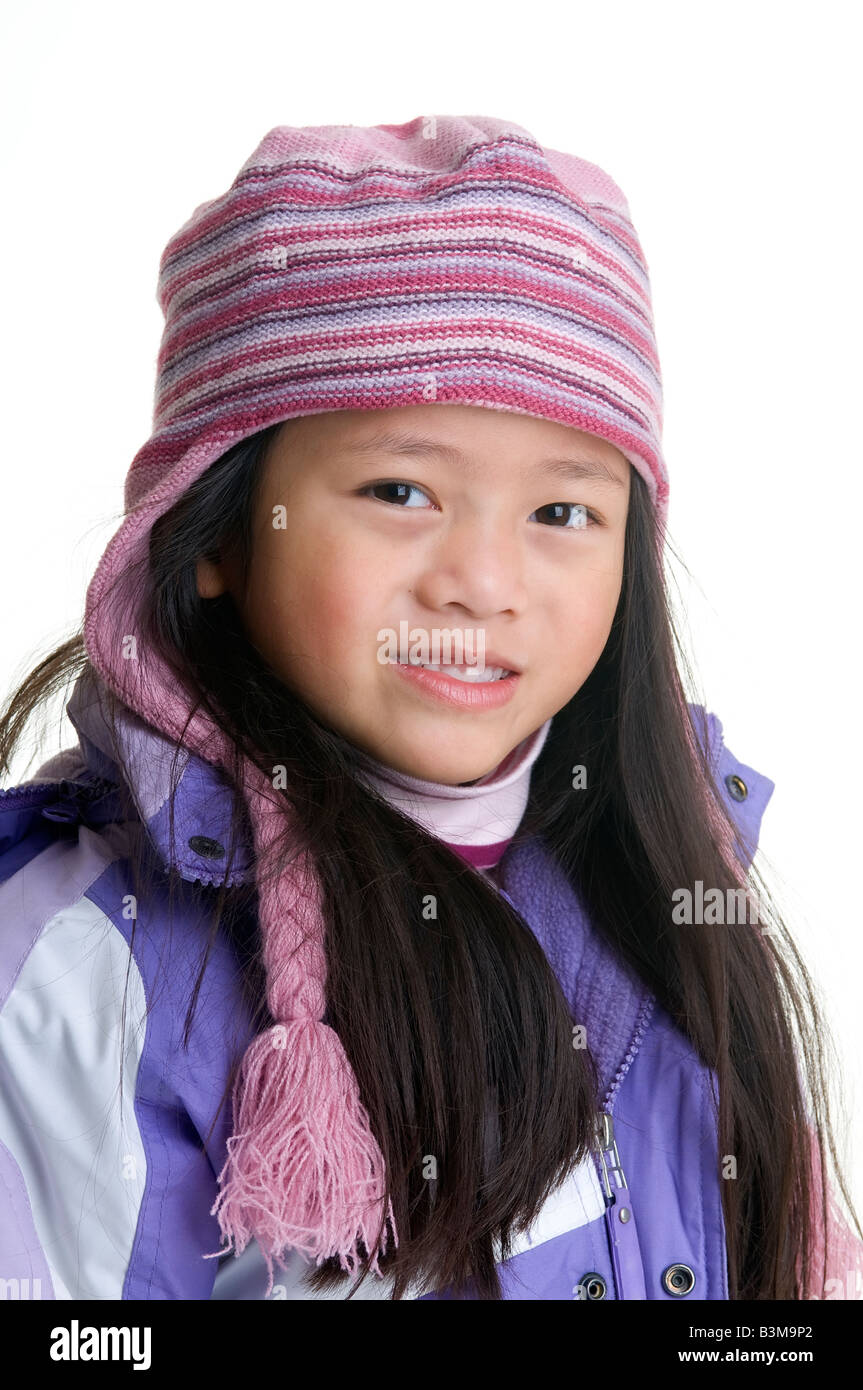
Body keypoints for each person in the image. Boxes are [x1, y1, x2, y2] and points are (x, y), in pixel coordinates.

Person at [0, 114, 860, 1302]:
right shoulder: (93, 959)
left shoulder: (666, 888)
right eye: (400, 489)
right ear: (218, 531)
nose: (485, 583)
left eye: (561, 513)